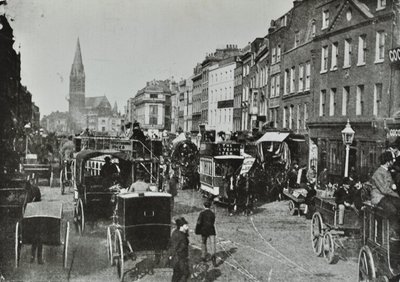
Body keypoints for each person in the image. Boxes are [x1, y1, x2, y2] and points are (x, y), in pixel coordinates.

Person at [370, 151, 400, 237]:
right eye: (392, 161)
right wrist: (397, 195)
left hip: (387, 197)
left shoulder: (387, 171)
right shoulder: (378, 173)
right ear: (388, 162)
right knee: (392, 210)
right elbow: (384, 189)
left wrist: (393, 185)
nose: (393, 163)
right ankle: (393, 232)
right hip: (378, 197)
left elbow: (391, 184)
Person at [26, 175, 43, 264]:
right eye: (31, 181)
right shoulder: (35, 189)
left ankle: (34, 258)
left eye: (32, 180)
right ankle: (37, 258)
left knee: (36, 238)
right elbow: (39, 200)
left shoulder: (28, 190)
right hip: (35, 213)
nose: (32, 182)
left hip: (31, 214)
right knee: (38, 238)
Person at [169, 217, 190, 282]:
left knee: (177, 274)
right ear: (181, 226)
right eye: (186, 225)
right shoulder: (179, 235)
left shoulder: (179, 232)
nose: (188, 227)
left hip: (180, 257)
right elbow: (174, 246)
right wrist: (171, 255)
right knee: (184, 274)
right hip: (179, 258)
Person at [195, 201, 216, 266]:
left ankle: (203, 256)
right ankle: (213, 257)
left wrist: (197, 230)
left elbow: (199, 222)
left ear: (204, 206)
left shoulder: (202, 213)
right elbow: (213, 222)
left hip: (204, 231)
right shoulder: (212, 213)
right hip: (212, 230)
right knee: (213, 245)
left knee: (203, 243)